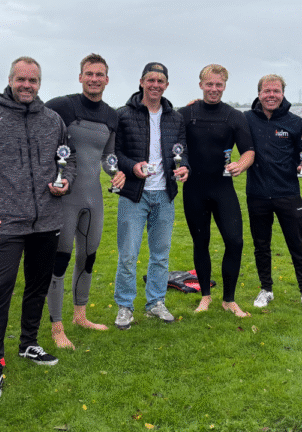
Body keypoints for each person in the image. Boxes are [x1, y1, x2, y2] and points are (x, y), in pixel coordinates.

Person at [0, 54, 125, 350]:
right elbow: (22, 114)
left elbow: (103, 157)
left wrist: (116, 172)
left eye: (99, 74)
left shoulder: (109, 115)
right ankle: (55, 327)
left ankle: (79, 317)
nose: (94, 79)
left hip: (85, 201)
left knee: (87, 258)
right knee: (55, 264)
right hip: (54, 204)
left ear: (107, 79)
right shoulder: (61, 106)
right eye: (89, 73)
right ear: (80, 76)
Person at [0, 56, 75, 402]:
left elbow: (69, 159)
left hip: (47, 221)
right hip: (5, 224)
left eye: (33, 80)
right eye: (21, 79)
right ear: (10, 80)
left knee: (37, 286)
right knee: (0, 290)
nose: (26, 85)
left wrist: (65, 181)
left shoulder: (52, 120)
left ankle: (28, 343)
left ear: (39, 84)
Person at [113, 62, 189, 330]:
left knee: (160, 255)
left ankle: (156, 302)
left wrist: (184, 168)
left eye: (160, 81)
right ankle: (125, 306)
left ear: (166, 85)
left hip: (164, 195)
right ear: (142, 82)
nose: (155, 85)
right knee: (128, 255)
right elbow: (115, 152)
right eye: (151, 80)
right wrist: (131, 166)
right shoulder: (123, 114)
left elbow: (182, 151)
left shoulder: (175, 117)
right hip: (134, 195)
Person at [177, 64, 254, 317]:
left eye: (218, 84)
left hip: (223, 189)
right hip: (194, 190)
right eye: (209, 84)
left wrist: (240, 165)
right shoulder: (186, 114)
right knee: (201, 242)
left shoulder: (234, 116)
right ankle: (205, 296)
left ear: (224, 86)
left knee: (235, 241)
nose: (214, 89)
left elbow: (249, 151)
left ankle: (229, 300)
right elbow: (171, 140)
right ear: (201, 85)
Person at [244, 74, 302, 313]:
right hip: (257, 194)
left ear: (282, 94)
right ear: (259, 94)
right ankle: (266, 289)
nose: (271, 95)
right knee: (261, 245)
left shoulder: (295, 122)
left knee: (298, 245)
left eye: (276, 91)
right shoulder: (246, 119)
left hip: (288, 193)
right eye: (267, 91)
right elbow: (221, 120)